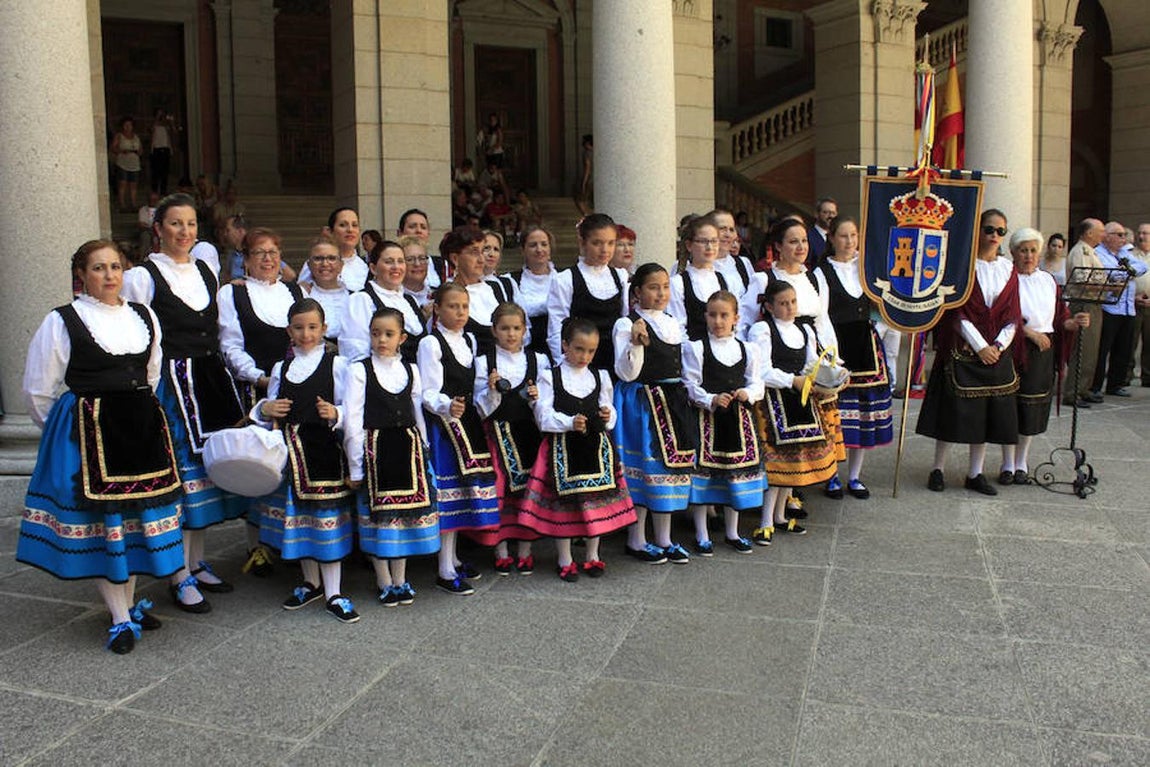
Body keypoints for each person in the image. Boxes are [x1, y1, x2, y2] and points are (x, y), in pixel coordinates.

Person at [18, 240, 182, 653]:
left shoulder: (144, 316)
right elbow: (39, 391)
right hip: (90, 434)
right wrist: (69, 430)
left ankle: (129, 602)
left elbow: (153, 373)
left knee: (137, 523)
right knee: (105, 526)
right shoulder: (63, 321)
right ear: (81, 275)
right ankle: (120, 616)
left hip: (140, 428)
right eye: (98, 268)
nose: (109, 276)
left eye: (115, 267)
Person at [121, 193, 247, 610]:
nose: (185, 232)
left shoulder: (208, 272)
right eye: (176, 223)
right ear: (158, 229)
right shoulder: (143, 276)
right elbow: (134, 335)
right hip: (171, 389)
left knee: (205, 479)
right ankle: (176, 573)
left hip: (208, 381)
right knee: (181, 482)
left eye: (191, 224)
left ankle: (195, 562)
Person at [251, 299, 358, 623]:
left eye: (313, 327)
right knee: (299, 519)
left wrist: (335, 413)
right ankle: (310, 581)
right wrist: (265, 410)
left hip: (323, 452)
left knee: (325, 518)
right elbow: (266, 409)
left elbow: (350, 409)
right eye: (299, 327)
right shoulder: (280, 368)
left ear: (324, 329)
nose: (306, 333)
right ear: (289, 331)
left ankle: (335, 590)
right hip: (290, 455)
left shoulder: (337, 365)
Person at [518, 318, 636, 580]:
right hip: (562, 449)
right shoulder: (550, 377)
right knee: (565, 507)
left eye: (591, 350)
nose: (585, 356)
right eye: (579, 349)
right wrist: (569, 422)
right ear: (564, 345)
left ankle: (593, 554)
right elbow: (543, 416)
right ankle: (565, 556)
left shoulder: (601, 375)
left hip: (595, 449)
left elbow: (609, 408)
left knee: (596, 503)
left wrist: (608, 416)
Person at [917, 209, 1022, 496]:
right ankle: (937, 468)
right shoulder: (962, 267)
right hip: (962, 348)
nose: (994, 236)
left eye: (1001, 231)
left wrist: (998, 346)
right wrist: (980, 346)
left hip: (996, 352)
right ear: (978, 231)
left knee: (987, 413)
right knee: (950, 411)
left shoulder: (1008, 269)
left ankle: (975, 473)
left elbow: (1013, 314)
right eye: (989, 229)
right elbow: (956, 312)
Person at [344, 307, 438, 607]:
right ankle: (383, 579)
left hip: (406, 448)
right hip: (376, 449)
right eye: (375, 333)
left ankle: (401, 578)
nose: (381, 339)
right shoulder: (359, 370)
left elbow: (417, 412)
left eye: (388, 334)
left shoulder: (410, 370)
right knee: (378, 519)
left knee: (403, 518)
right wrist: (356, 466)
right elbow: (353, 421)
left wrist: (423, 448)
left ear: (402, 337)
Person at [417, 283, 499, 595]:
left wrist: (489, 391)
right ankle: (443, 567)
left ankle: (451, 558)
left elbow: (475, 388)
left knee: (463, 495)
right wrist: (445, 406)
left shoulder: (470, 339)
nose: (460, 312)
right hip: (443, 427)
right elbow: (427, 392)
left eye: (464, 307)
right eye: (453, 306)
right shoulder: (430, 343)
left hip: (467, 424)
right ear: (437, 308)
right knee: (448, 496)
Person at [614, 263, 699, 564]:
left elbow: (683, 366)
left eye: (665, 286)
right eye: (653, 286)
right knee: (646, 471)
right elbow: (626, 372)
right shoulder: (626, 324)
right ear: (637, 292)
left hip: (672, 401)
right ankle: (636, 539)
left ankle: (664, 537)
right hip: (642, 402)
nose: (661, 292)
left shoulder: (672, 322)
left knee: (669, 471)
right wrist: (635, 344)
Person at [748, 280, 839, 543]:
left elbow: (812, 361)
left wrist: (827, 377)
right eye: (783, 303)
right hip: (773, 400)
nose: (789, 308)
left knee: (793, 459)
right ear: (769, 306)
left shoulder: (804, 330)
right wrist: (792, 380)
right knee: (776, 463)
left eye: (793, 302)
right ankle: (765, 520)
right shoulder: (762, 330)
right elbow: (762, 370)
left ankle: (779, 516)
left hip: (800, 401)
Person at [1000, 229, 1089, 484]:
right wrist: (1028, 333)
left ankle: (1021, 463)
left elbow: (1059, 317)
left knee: (1032, 406)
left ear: (1039, 253)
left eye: (1032, 250)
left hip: (1042, 351)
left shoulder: (1048, 280)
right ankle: (1007, 462)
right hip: (1014, 347)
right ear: (1013, 253)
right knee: (1010, 406)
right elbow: (1001, 315)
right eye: (1023, 250)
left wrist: (1073, 323)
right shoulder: (1007, 279)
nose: (1028, 255)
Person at [815, 216, 893, 498]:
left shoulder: (867, 268)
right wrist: (830, 355)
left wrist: (879, 331)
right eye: (843, 236)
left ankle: (856, 476)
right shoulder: (822, 271)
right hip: (837, 346)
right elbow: (821, 315)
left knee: (863, 414)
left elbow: (885, 304)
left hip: (867, 345)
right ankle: (832, 475)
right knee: (836, 415)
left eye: (854, 235)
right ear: (832, 238)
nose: (849, 241)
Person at [682, 291, 765, 554]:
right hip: (708, 422)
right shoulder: (696, 348)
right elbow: (690, 385)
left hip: (738, 422)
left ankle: (732, 531)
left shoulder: (747, 349)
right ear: (705, 316)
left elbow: (757, 383)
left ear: (736, 318)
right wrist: (711, 398)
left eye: (724, 315)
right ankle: (702, 532)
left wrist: (747, 393)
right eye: (713, 315)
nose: (718, 321)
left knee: (734, 476)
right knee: (704, 477)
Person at [471, 303, 546, 574]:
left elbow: (545, 405)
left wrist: (538, 398)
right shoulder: (484, 362)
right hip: (496, 435)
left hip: (529, 434)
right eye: (504, 328)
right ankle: (500, 547)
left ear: (525, 330)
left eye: (516, 328)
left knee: (529, 492)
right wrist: (492, 392)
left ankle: (525, 549)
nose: (511, 334)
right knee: (499, 491)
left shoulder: (538, 361)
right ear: (494, 330)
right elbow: (478, 408)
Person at [547, 214, 628, 369]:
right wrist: (563, 367)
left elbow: (624, 321)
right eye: (597, 243)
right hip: (579, 363)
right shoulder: (565, 279)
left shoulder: (620, 277)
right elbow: (556, 328)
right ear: (582, 242)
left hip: (614, 362)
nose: (605, 250)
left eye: (611, 243)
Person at [341, 240, 426, 363]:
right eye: (389, 262)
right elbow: (355, 351)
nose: (396, 267)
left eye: (400, 261)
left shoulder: (410, 301)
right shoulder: (361, 300)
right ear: (373, 268)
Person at [1090, 221, 1147, 398]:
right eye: (1119, 235)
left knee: (1124, 349)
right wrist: (1126, 272)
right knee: (1103, 349)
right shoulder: (1098, 253)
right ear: (1107, 236)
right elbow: (1108, 274)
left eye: (1124, 235)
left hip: (1128, 308)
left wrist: (1125, 271)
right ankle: (1096, 386)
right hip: (1110, 308)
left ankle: (1115, 384)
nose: (1124, 239)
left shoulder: (1124, 253)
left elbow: (1142, 267)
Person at [441, 225, 505, 357]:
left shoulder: (495, 288)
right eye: (474, 252)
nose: (482, 259)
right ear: (455, 258)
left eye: (483, 251)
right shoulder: (447, 295)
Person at [1063, 218, 1106, 406]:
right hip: (1083, 303)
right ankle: (1072, 392)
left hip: (1093, 302)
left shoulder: (1092, 252)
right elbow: (1082, 279)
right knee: (1082, 349)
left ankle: (1084, 388)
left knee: (1091, 350)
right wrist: (1106, 285)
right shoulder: (1080, 251)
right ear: (1088, 233)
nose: (1103, 234)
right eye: (1100, 231)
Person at [670, 215, 727, 341]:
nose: (709, 247)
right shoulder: (678, 283)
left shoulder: (724, 280)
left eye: (714, 241)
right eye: (703, 241)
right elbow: (678, 327)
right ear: (689, 245)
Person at [508, 225, 557, 358]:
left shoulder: (564, 279)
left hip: (560, 349)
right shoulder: (511, 281)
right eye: (533, 245)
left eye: (544, 244)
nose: (539, 249)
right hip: (525, 352)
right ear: (523, 250)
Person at [299, 234, 350, 347]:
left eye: (331, 258)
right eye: (318, 259)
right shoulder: (301, 294)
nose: (325, 264)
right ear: (309, 265)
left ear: (341, 265)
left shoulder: (355, 296)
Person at [298, 207, 367, 290]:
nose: (350, 230)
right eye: (342, 225)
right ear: (330, 231)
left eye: (354, 225)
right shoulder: (316, 265)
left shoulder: (364, 267)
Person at [709, 209, 756, 298]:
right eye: (722, 229)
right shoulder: (693, 265)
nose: (728, 235)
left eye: (731, 230)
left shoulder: (743, 263)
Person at [111, 117, 143, 211]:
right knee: (122, 183)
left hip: (134, 163)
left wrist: (138, 152)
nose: (128, 127)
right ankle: (122, 204)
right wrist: (121, 151)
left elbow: (141, 149)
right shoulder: (119, 136)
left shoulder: (136, 137)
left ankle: (133, 203)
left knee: (133, 184)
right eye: (126, 125)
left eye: (130, 125)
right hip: (123, 163)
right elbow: (113, 148)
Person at [400, 235, 434, 310]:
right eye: (410, 259)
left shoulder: (438, 295)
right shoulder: (395, 298)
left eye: (422, 258)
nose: (417, 264)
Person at [149, 108, 175, 195]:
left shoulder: (166, 126)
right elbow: (151, 130)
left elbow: (174, 132)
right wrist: (157, 118)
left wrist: (171, 122)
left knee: (165, 171)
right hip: (156, 149)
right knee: (156, 172)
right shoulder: (154, 125)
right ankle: (154, 190)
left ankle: (163, 190)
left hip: (165, 148)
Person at [807, 197, 838, 265]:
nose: (830, 216)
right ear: (816, 214)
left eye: (833, 213)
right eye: (826, 212)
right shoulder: (808, 236)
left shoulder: (838, 236)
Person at [576, 134, 594, 217]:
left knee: (581, 200)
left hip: (590, 179)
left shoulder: (587, 153)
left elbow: (588, 167)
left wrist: (584, 182)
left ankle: (587, 216)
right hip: (597, 180)